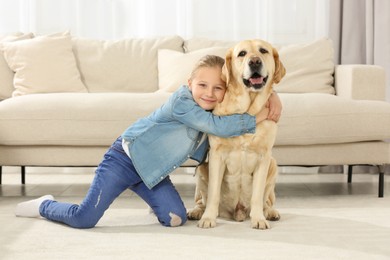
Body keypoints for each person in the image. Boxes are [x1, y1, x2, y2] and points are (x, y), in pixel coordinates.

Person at [15, 55, 282, 228]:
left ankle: (149, 195)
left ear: (226, 90)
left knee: (175, 219)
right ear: (189, 83)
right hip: (124, 159)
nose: (209, 94)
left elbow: (246, 87)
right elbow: (218, 127)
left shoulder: (215, 106)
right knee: (85, 218)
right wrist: (260, 117)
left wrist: (273, 96)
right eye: (202, 85)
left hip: (151, 173)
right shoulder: (182, 102)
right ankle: (44, 205)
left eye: (217, 88)